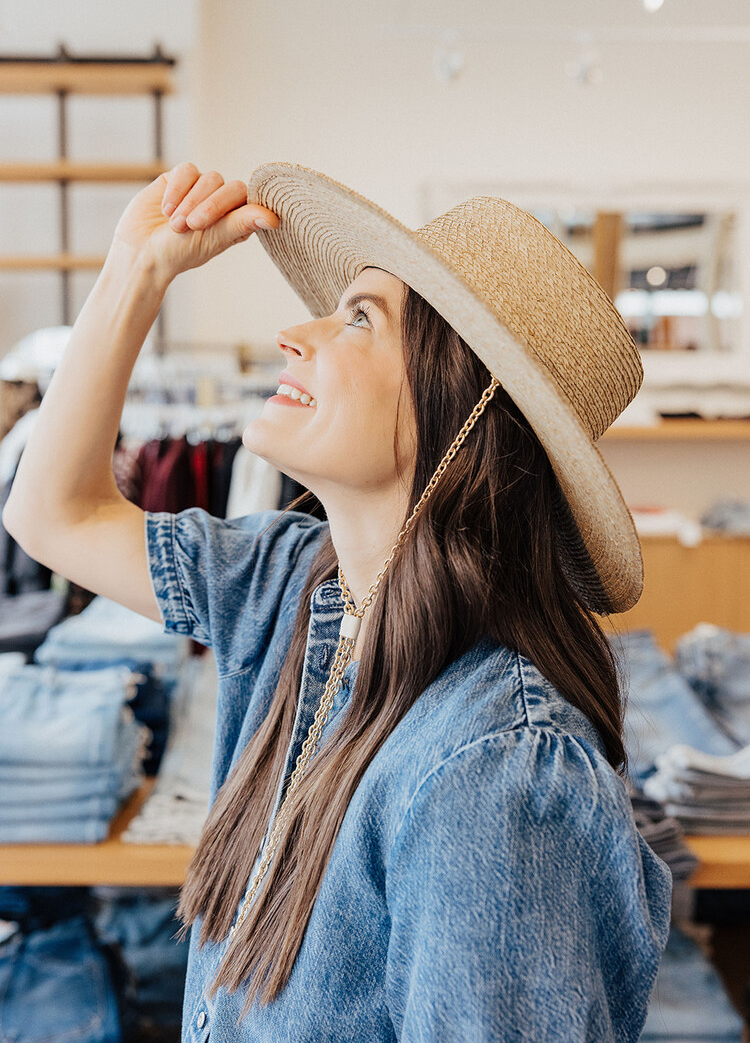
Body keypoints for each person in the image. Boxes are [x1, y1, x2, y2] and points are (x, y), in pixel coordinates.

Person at [3, 161, 672, 1042]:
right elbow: (52, 513)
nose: (294, 332)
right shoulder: (292, 586)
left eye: (361, 317)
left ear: (460, 410)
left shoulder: (497, 775)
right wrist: (137, 269)